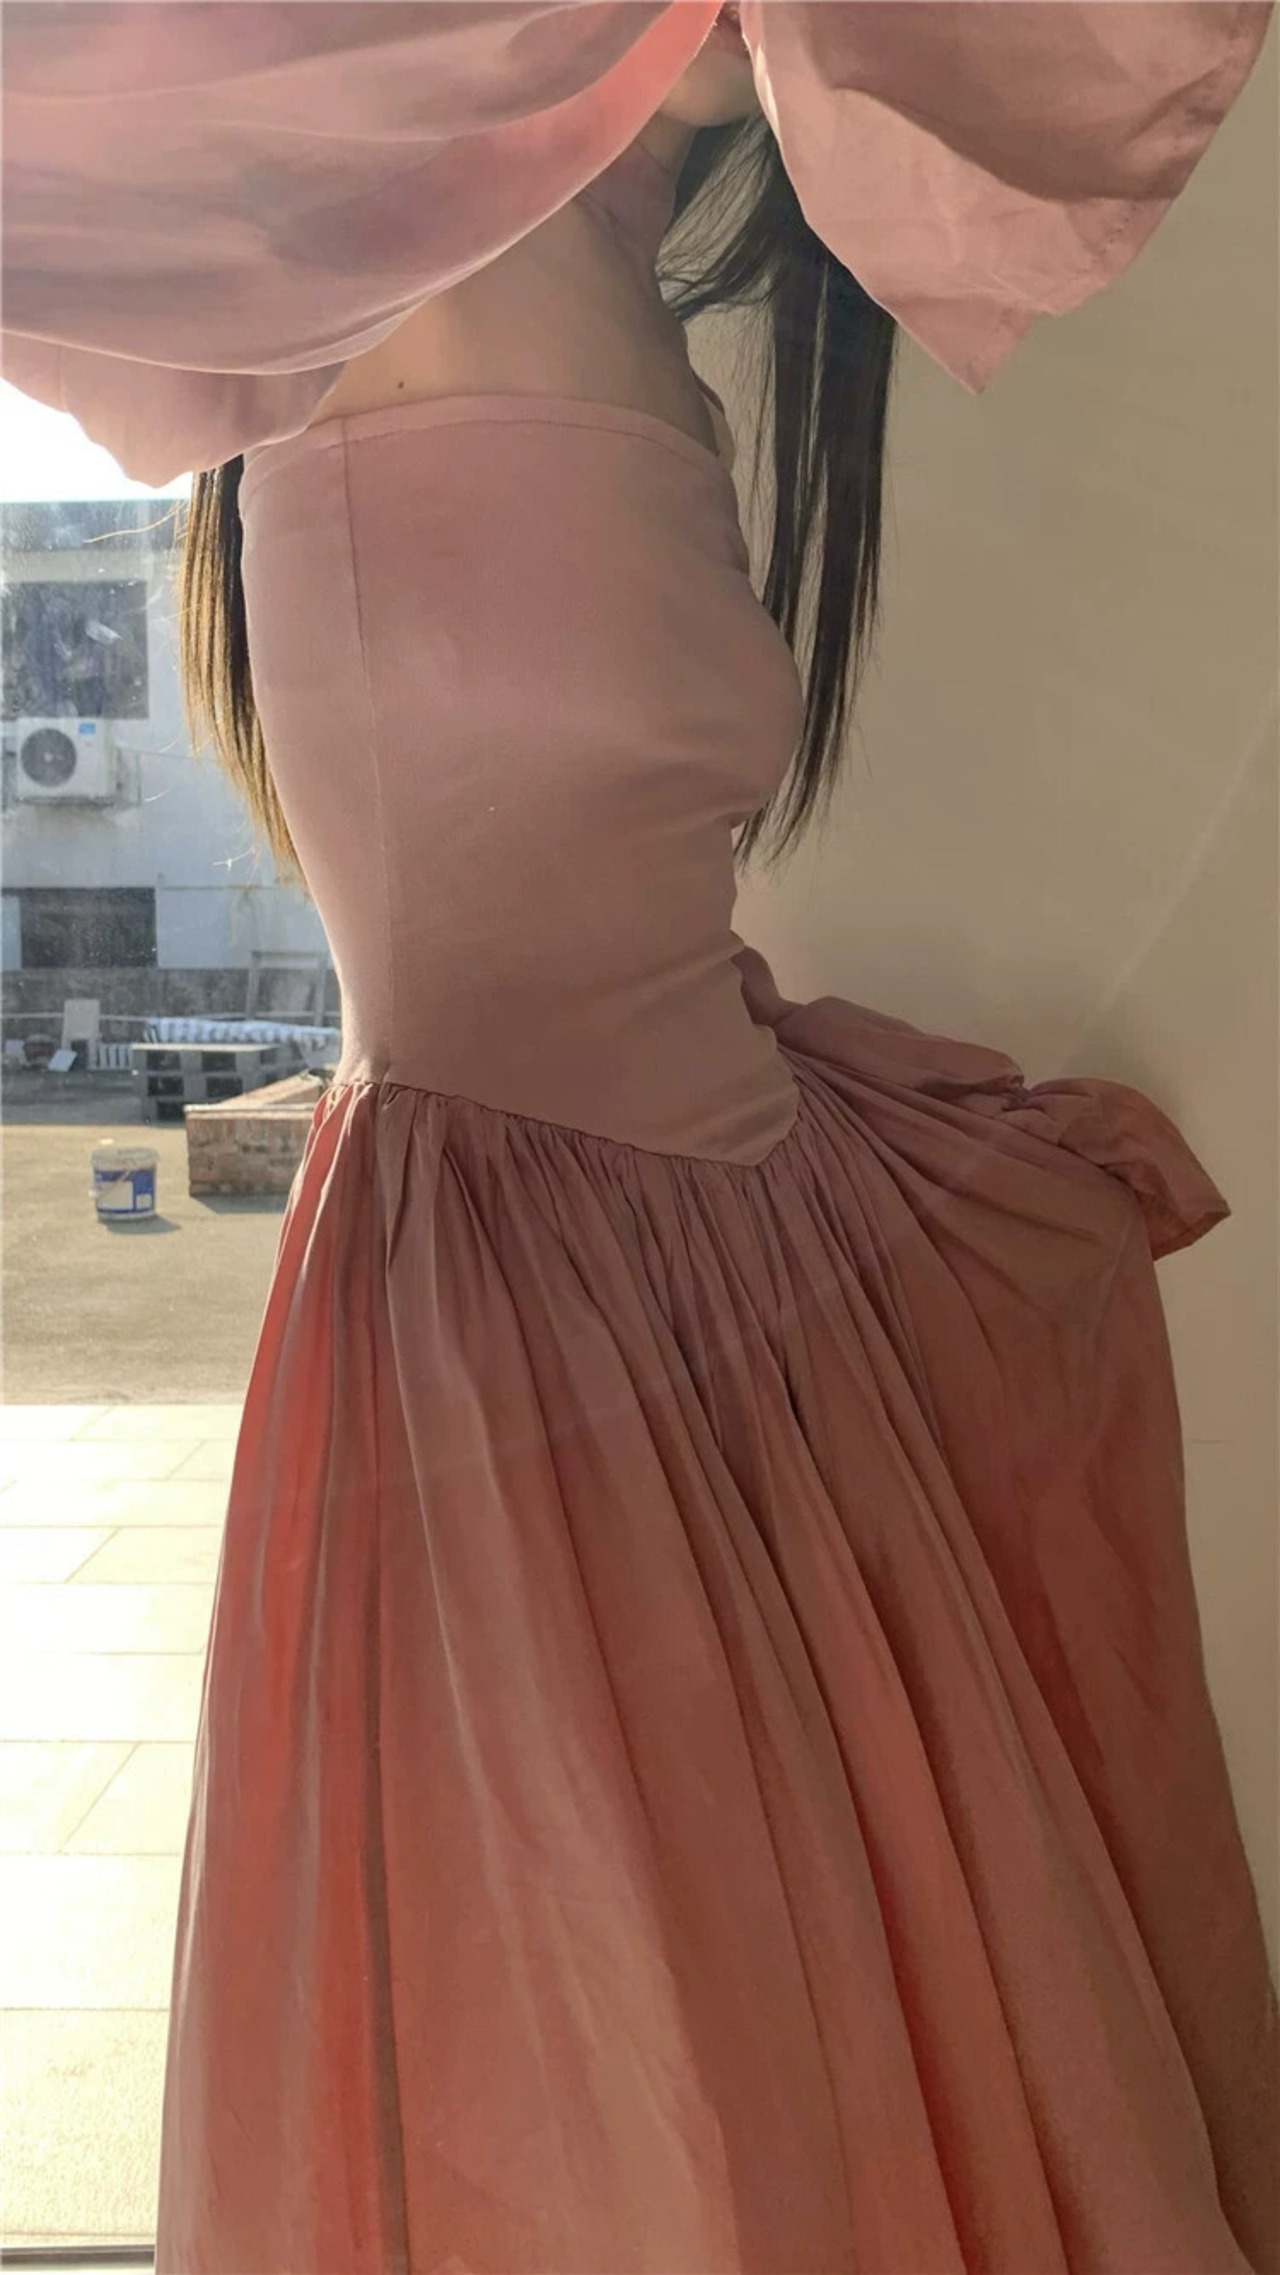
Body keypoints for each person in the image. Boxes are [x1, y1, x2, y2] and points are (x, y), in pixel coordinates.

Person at [4, 6, 1276, 2269]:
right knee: (635, 2078)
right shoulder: (388, 241)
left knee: (797, 2032)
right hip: (518, 1326)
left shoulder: (614, 299)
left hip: (720, 1260)